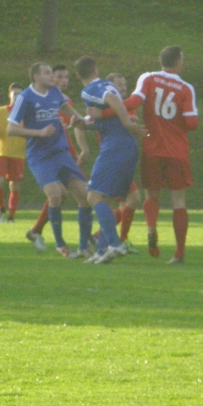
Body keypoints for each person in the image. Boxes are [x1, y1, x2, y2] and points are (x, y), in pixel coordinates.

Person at [93, 47, 198, 263]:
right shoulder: (186, 88)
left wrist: (104, 113)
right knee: (178, 200)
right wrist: (175, 123)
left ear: (161, 61)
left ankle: (151, 227)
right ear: (178, 62)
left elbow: (132, 102)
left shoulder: (148, 78)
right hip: (177, 151)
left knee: (152, 195)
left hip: (152, 148)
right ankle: (179, 254)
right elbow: (192, 122)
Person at [9, 62, 94, 258]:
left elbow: (65, 107)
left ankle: (83, 247)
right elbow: (11, 129)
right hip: (40, 156)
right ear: (36, 77)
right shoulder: (25, 98)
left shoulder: (54, 92)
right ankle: (60, 245)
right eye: (47, 73)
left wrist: (80, 119)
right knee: (55, 195)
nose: (51, 76)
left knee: (86, 196)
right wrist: (39, 132)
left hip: (60, 152)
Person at [76, 55, 146, 264]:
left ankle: (115, 244)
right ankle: (101, 250)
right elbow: (109, 111)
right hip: (124, 146)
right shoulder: (107, 84)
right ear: (95, 70)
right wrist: (86, 124)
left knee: (93, 197)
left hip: (115, 146)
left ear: (79, 76)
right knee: (105, 199)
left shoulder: (89, 89)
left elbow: (113, 101)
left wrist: (127, 123)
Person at [106, 72, 142, 248]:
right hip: (114, 158)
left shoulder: (127, 106)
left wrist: (137, 127)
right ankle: (120, 240)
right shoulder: (108, 107)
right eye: (119, 84)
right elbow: (85, 124)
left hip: (125, 159)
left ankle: (100, 238)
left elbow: (135, 131)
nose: (123, 87)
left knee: (124, 204)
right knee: (133, 199)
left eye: (124, 84)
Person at [0, 83, 26, 224]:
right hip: (1, 152)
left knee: (14, 185)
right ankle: (1, 209)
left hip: (18, 153)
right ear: (9, 95)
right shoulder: (1, 111)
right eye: (15, 93)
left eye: (19, 94)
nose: (17, 96)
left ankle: (11, 216)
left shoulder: (26, 113)